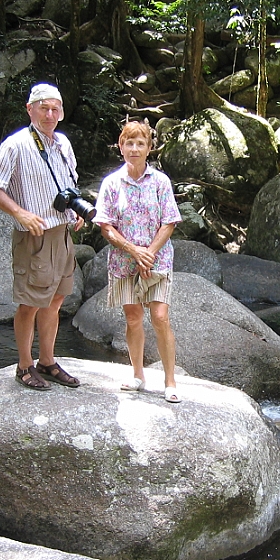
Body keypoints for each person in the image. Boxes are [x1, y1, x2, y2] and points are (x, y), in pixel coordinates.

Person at [0, 83, 83, 391]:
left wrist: (75, 212)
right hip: (34, 236)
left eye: (55, 109)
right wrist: (19, 213)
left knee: (56, 300)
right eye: (44, 108)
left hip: (62, 233)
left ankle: (47, 361)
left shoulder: (62, 143)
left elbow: (68, 184)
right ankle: (24, 366)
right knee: (30, 304)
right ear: (30, 109)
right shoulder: (17, 144)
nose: (50, 114)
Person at [94, 120, 183, 403]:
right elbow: (105, 226)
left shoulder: (160, 182)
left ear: (149, 148)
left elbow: (169, 222)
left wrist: (150, 253)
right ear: (121, 147)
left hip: (157, 261)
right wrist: (134, 251)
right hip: (124, 261)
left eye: (140, 143)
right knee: (133, 319)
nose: (134, 148)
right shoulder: (111, 183)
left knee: (159, 317)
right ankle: (137, 374)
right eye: (129, 143)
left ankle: (170, 381)